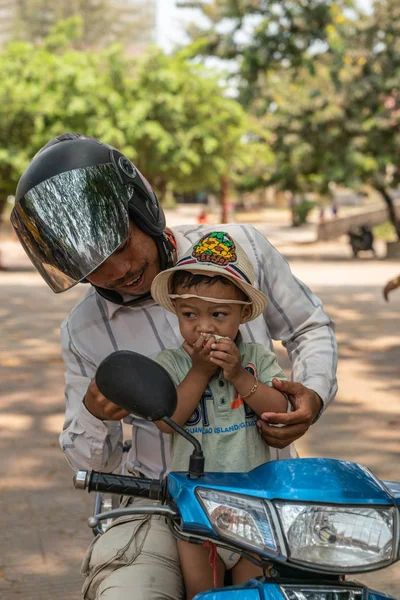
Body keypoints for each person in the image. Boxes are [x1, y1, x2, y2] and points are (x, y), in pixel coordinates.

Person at [11, 133, 338, 600]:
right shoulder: (83, 331)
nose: (119, 269)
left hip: (267, 489)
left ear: (143, 209)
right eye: (92, 264)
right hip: (158, 505)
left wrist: (312, 394)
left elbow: (310, 326)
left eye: (122, 243)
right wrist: (94, 413)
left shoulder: (238, 249)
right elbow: (91, 462)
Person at [150, 231, 289, 598]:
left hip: (254, 507)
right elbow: (165, 420)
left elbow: (281, 410)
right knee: (204, 594)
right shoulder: (172, 364)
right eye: (190, 314)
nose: (204, 326)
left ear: (243, 314)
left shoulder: (257, 359)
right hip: (194, 508)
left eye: (219, 314)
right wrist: (198, 372)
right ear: (176, 312)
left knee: (248, 592)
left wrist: (240, 376)